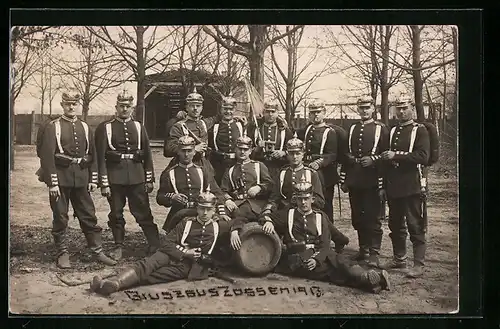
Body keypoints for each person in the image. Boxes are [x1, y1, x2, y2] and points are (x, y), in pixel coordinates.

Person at [90, 190, 243, 296]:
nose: (204, 213)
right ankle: (115, 283)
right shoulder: (186, 222)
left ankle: (108, 285)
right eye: (202, 208)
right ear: (197, 208)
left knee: (153, 276)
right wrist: (185, 252)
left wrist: (235, 230)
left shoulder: (219, 225)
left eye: (208, 209)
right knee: (147, 265)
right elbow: (166, 243)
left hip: (188, 266)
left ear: (214, 210)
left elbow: (240, 219)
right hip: (169, 254)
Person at [257, 180, 390, 294]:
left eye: (306, 199)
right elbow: (263, 216)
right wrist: (268, 221)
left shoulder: (320, 217)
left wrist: (316, 259)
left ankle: (369, 279)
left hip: (317, 254)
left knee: (338, 261)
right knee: (333, 272)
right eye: (300, 199)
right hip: (297, 259)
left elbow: (325, 245)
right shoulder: (288, 214)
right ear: (295, 200)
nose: (303, 202)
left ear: (312, 199)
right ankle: (369, 279)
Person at [39, 89, 116, 269]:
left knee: (88, 214)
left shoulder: (84, 126)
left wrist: (92, 178)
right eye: (68, 104)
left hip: (81, 178)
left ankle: (97, 250)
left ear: (78, 105)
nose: (71, 107)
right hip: (60, 178)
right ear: (62, 105)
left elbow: (92, 154)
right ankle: (62, 252)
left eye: (74, 103)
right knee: (61, 216)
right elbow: (47, 156)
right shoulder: (53, 126)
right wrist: (52, 183)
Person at [95, 90, 160, 260]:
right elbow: (100, 157)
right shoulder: (106, 127)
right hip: (115, 177)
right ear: (116, 107)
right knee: (116, 213)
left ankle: (154, 244)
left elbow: (147, 153)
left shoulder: (139, 127)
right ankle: (118, 245)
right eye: (121, 106)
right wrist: (104, 183)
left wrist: (149, 179)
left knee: (143, 211)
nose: (124, 109)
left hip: (137, 177)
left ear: (132, 108)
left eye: (128, 106)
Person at [261, 134, 349, 253]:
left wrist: (304, 204)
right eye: (291, 153)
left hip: (307, 210)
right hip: (286, 211)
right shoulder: (282, 173)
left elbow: (320, 201)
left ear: (303, 154)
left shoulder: (312, 174)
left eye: (298, 153)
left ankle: (339, 240)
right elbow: (274, 197)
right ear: (287, 154)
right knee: (264, 220)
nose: (295, 157)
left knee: (322, 219)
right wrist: (268, 213)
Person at [380, 96, 430, 278]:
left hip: (412, 185)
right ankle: (399, 258)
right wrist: (384, 185)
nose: (401, 112)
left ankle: (418, 264)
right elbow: (386, 160)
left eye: (404, 108)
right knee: (395, 224)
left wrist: (396, 155)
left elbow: (423, 157)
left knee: (414, 224)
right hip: (394, 186)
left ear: (412, 109)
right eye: (398, 108)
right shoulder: (393, 131)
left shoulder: (420, 130)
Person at [339, 96, 390, 267]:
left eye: (367, 107)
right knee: (357, 217)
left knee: (372, 217)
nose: (364, 111)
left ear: (373, 109)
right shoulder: (352, 128)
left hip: (373, 180)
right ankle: (363, 249)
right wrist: (345, 179)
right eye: (361, 108)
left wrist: (373, 159)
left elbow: (386, 154)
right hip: (355, 180)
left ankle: (374, 253)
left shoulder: (380, 128)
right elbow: (345, 153)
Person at [157, 135, 228, 233]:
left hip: (200, 214)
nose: (186, 154)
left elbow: (216, 192)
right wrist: (172, 197)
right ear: (178, 151)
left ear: (194, 152)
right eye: (183, 151)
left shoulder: (202, 171)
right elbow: (160, 197)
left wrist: (222, 212)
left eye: (189, 151)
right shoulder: (169, 173)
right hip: (178, 216)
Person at [295, 100, 340, 224]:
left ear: (324, 113)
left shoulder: (329, 132)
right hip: (309, 171)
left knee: (325, 204)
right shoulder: (307, 129)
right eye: (312, 112)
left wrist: (319, 162)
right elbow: (292, 135)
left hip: (325, 173)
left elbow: (332, 154)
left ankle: (328, 232)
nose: (315, 115)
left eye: (318, 112)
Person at [163, 87, 218, 174]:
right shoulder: (179, 126)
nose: (195, 108)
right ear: (186, 107)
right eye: (192, 106)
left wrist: (236, 118)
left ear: (202, 108)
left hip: (204, 165)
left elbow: (218, 118)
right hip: (185, 167)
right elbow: (169, 149)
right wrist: (194, 149)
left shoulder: (204, 123)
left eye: (198, 106)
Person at [220, 136, 274, 224]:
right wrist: (228, 200)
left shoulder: (259, 166)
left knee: (242, 212)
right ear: (235, 150)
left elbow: (270, 184)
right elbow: (223, 191)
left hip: (256, 205)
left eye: (245, 149)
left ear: (250, 151)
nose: (242, 152)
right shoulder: (230, 170)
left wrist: (259, 187)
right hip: (237, 203)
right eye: (240, 149)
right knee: (220, 216)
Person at [207, 96, 246, 184]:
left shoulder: (240, 126)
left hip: (236, 165)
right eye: (225, 109)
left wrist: (280, 120)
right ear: (221, 110)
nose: (228, 112)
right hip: (219, 166)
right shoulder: (214, 128)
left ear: (235, 110)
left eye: (231, 109)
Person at [248, 102, 293, 178]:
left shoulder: (284, 131)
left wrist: (283, 153)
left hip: (278, 167)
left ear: (277, 113)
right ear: (263, 112)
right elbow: (246, 150)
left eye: (273, 111)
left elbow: (293, 149)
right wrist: (257, 149)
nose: (270, 114)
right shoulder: (255, 129)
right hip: (259, 167)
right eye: (268, 111)